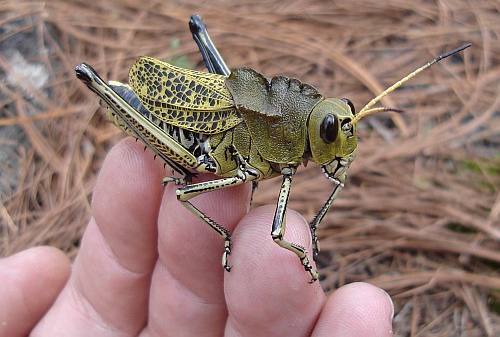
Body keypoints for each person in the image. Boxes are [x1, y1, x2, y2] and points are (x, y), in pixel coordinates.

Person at [0, 138, 394, 336]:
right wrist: (227, 237)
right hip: (192, 137)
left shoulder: (290, 153)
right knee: (187, 192)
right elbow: (273, 233)